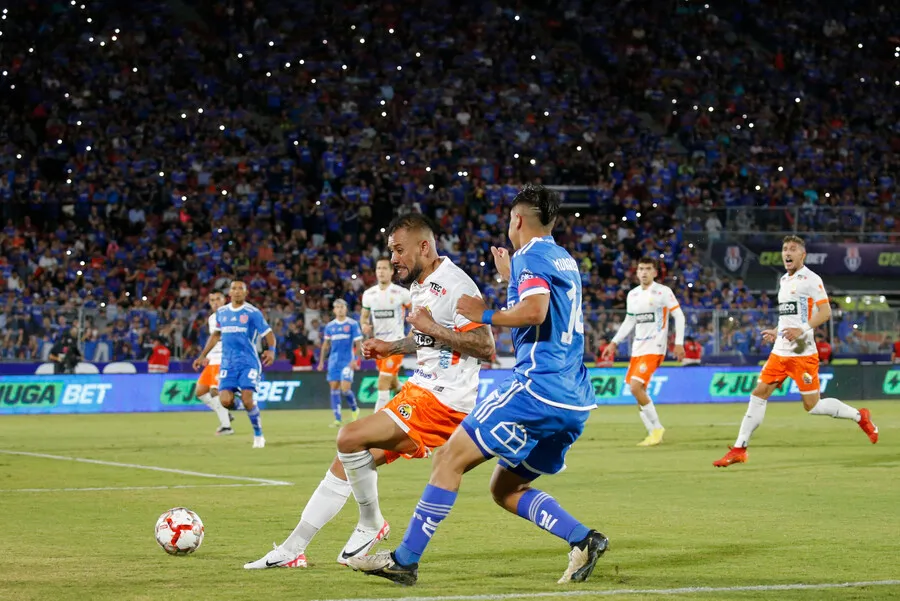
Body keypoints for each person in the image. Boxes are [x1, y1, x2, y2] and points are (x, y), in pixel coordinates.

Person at [347, 184, 607, 586]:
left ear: (516, 220)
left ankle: (405, 560)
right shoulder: (562, 257)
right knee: (506, 487)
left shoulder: (530, 255)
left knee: (448, 459)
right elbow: (545, 305)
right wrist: (510, 282)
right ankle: (583, 539)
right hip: (576, 400)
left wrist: (488, 312)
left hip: (538, 390)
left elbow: (535, 313)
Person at [243, 213, 494, 570]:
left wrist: (433, 327)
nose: (393, 259)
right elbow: (427, 339)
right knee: (346, 462)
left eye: (398, 250)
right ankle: (291, 549)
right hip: (419, 389)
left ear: (424, 246)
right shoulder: (422, 284)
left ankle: (372, 523)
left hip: (444, 401)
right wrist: (392, 347)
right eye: (391, 251)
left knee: (348, 437)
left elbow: (485, 346)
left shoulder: (457, 285)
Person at [714, 236, 879, 468]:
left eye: (792, 249)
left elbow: (825, 312)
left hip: (802, 353)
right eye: (784, 249)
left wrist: (800, 330)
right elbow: (789, 315)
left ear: (803, 255)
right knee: (758, 394)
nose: (787, 253)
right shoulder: (783, 279)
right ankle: (740, 448)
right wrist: (776, 329)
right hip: (780, 352)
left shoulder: (811, 279)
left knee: (813, 406)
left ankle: (860, 416)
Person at [602, 258, 685, 446]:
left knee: (635, 387)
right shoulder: (632, 295)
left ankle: (656, 428)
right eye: (641, 269)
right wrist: (614, 342)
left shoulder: (663, 292)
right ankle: (652, 433)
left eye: (648, 269)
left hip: (655, 347)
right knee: (639, 391)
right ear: (636, 272)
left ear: (655, 272)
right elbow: (630, 321)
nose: (644, 272)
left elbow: (678, 315)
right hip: (637, 349)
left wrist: (678, 343)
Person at [193, 281, 275, 449]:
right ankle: (241, 406)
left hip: (248, 363)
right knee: (224, 401)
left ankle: (258, 434)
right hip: (227, 364)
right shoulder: (221, 313)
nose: (237, 292)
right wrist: (202, 355)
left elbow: (269, 334)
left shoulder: (252, 313)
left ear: (245, 293)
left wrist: (271, 350)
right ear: (229, 293)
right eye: (234, 289)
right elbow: (216, 335)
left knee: (247, 399)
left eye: (240, 289)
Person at [361, 258, 412, 410]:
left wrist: (411, 332)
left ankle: (376, 426)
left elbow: (415, 311)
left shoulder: (401, 293)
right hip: (377, 345)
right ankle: (410, 399)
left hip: (396, 343)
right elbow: (364, 316)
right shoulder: (369, 294)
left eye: (384, 268)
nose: (381, 271)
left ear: (391, 272)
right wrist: (364, 325)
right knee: (393, 383)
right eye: (378, 268)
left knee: (382, 384)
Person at [317, 299, 364, 427]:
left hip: (347, 362)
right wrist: (321, 362)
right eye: (337, 307)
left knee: (345, 389)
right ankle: (337, 419)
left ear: (346, 309)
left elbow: (358, 343)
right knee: (334, 388)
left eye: (342, 307)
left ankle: (354, 409)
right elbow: (325, 346)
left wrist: (356, 359)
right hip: (333, 362)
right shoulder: (330, 326)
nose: (340, 309)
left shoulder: (352, 324)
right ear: (334, 310)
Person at [193, 291, 233, 435]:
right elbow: (215, 340)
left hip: (224, 359)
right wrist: (207, 356)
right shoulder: (212, 318)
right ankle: (224, 413)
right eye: (212, 300)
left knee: (215, 390)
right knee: (200, 392)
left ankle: (226, 426)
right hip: (213, 360)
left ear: (224, 300)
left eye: (218, 299)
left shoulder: (230, 315)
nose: (215, 302)